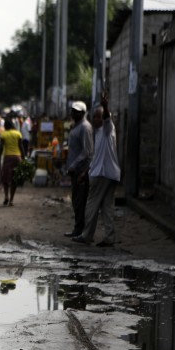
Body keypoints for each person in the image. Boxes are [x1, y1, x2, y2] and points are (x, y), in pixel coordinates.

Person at [73, 95, 120, 246]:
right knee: (107, 207)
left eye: (98, 117)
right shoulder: (99, 133)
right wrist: (85, 172)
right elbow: (95, 157)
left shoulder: (107, 129)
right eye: (94, 116)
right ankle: (109, 237)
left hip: (101, 174)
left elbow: (107, 118)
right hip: (109, 174)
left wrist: (105, 106)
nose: (95, 119)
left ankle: (86, 235)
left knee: (91, 206)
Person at [64, 101, 94, 238]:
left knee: (80, 201)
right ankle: (78, 228)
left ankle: (81, 230)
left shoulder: (85, 127)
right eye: (72, 111)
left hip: (82, 171)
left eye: (75, 111)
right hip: (75, 170)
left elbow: (87, 152)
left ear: (82, 113)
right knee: (76, 200)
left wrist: (74, 165)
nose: (72, 113)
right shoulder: (77, 126)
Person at [0, 117, 23, 206]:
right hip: (17, 158)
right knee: (14, 180)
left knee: (5, 179)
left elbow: (1, 148)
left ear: (5, 126)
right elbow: (21, 147)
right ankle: (11, 200)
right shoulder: (18, 134)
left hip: (7, 158)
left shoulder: (3, 134)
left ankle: (6, 196)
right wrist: (24, 158)